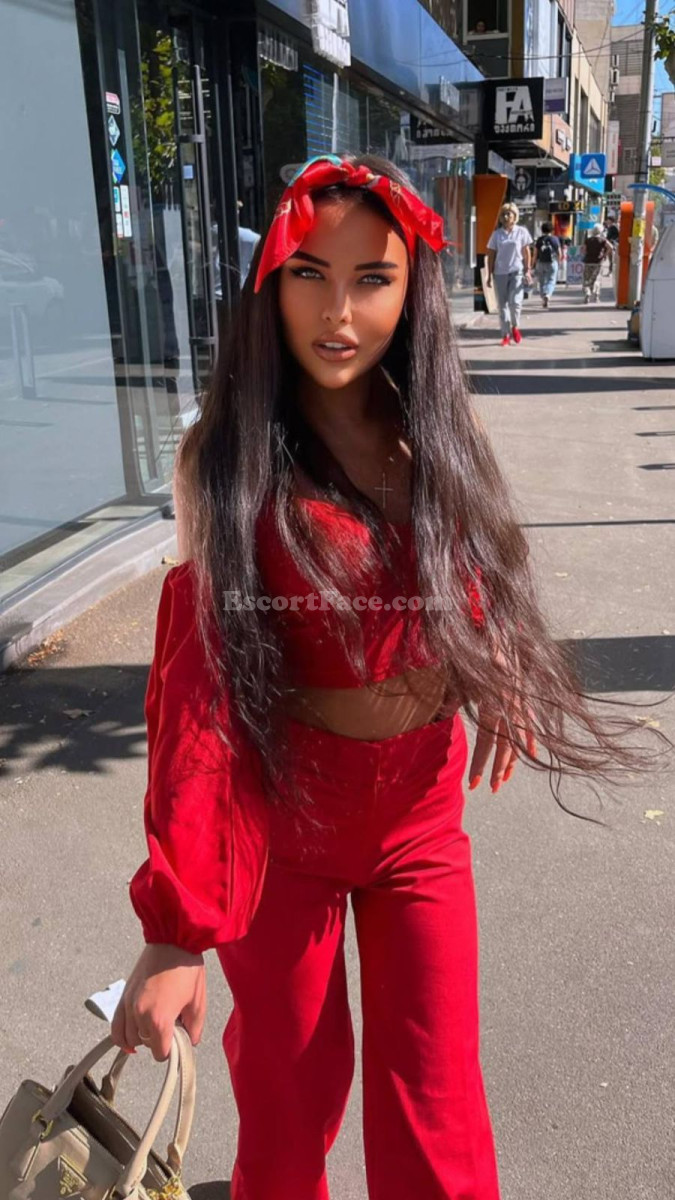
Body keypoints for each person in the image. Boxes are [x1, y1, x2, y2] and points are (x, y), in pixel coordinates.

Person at [111, 154, 655, 1200]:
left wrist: (494, 659)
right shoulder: (222, 460)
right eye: (309, 274)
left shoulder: (440, 429)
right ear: (270, 283)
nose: (338, 312)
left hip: (419, 816)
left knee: (435, 1099)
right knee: (288, 1098)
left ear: (414, 292)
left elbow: (472, 564)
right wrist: (176, 931)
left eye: (372, 279)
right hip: (286, 824)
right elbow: (195, 698)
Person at [486, 202, 532, 345]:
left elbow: (526, 252)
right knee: (503, 305)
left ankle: (515, 327)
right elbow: (491, 254)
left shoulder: (521, 232)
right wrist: (489, 275)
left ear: (515, 216)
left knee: (515, 302)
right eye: (504, 214)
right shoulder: (496, 234)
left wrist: (528, 270)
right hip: (500, 273)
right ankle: (505, 335)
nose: (506, 217)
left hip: (516, 271)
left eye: (509, 214)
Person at [531, 220, 561, 308]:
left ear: (542, 230)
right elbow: (559, 253)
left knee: (541, 281)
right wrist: (559, 262)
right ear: (552, 230)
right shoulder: (555, 239)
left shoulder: (539, 240)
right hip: (552, 262)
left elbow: (535, 254)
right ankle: (547, 294)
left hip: (540, 263)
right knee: (551, 280)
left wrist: (533, 264)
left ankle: (543, 296)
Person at [581, 222, 613, 303]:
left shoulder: (588, 240)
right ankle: (596, 296)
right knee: (597, 279)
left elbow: (583, 249)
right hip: (598, 262)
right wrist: (605, 255)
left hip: (588, 261)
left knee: (587, 279)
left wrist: (586, 254)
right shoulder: (602, 240)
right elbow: (611, 247)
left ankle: (587, 292)